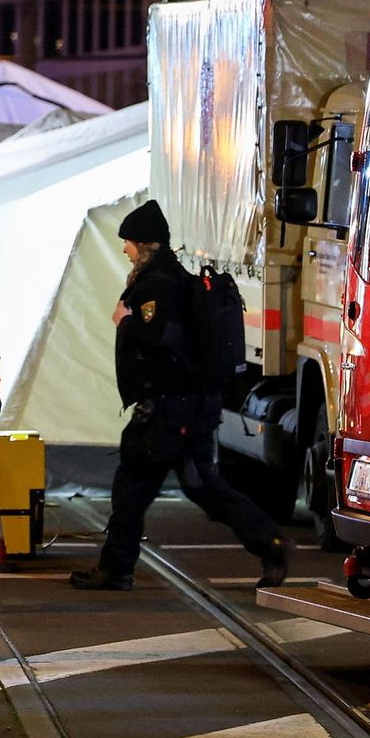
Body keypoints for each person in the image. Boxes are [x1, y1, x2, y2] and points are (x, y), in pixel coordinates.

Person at [70, 200, 290, 592]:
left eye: (130, 244)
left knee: (132, 486)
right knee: (204, 487)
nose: (125, 250)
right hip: (195, 406)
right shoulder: (179, 278)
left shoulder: (156, 284)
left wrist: (127, 321)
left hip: (168, 412)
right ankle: (270, 544)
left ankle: (115, 569)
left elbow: (162, 336)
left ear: (145, 246)